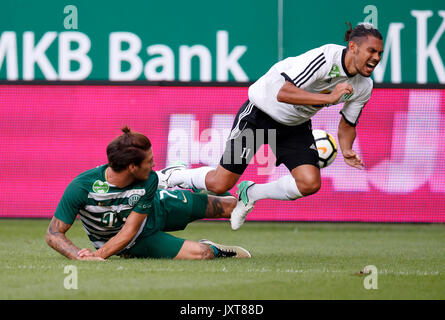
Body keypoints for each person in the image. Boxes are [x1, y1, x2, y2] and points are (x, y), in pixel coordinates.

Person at [157, 23, 384, 230]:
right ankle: (175, 175)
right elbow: (283, 93)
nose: (376, 57)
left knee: (310, 183)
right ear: (353, 47)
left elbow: (348, 124)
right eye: (371, 51)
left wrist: (346, 149)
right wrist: (329, 98)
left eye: (380, 53)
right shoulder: (325, 58)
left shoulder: (364, 85)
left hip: (294, 125)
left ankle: (251, 193)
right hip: (260, 113)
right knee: (219, 183)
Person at [46, 126, 251, 260]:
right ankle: (214, 248)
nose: (154, 165)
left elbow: (130, 227)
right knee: (203, 254)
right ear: (132, 167)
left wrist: (97, 255)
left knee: (233, 207)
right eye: (149, 161)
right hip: (138, 240)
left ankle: (188, 183)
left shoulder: (150, 179)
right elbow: (53, 234)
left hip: (156, 207)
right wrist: (81, 257)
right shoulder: (82, 186)